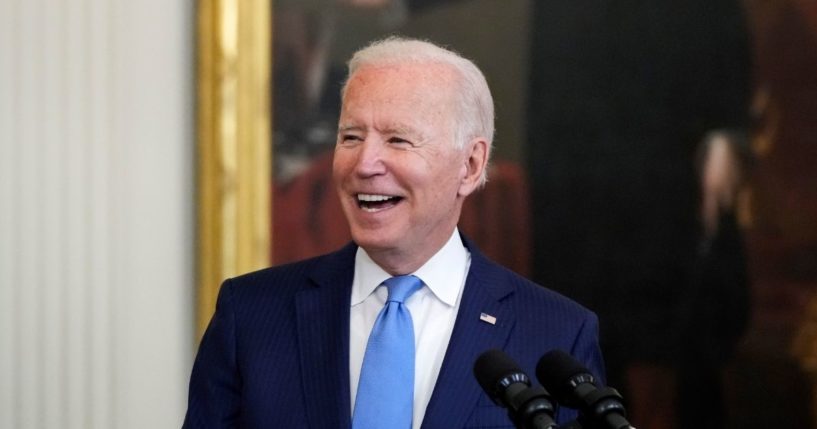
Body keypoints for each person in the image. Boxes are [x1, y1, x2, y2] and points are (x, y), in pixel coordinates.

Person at [183, 37, 604, 428]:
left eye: (398, 140)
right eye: (351, 136)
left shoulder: (558, 333)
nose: (365, 163)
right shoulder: (251, 316)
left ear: (471, 166)